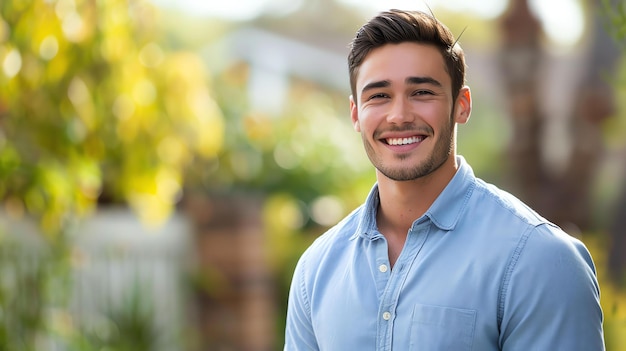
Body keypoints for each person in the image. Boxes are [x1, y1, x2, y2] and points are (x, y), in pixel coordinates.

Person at [284, 9, 605, 351]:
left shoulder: (540, 260)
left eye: (421, 92)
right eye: (379, 95)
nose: (399, 115)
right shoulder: (315, 270)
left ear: (461, 105)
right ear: (355, 114)